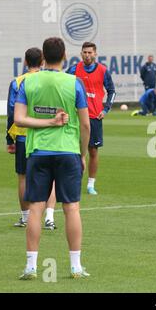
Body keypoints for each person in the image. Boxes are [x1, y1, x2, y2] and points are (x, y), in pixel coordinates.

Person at [14, 37, 90, 279]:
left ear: (43, 57)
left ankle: (31, 266)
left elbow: (19, 119)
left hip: (38, 151)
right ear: (65, 55)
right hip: (67, 150)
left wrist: (45, 122)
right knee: (72, 208)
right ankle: (76, 266)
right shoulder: (74, 83)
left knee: (35, 208)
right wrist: (83, 153)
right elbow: (86, 124)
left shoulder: (28, 82)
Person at [6, 47, 57, 230]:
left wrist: (9, 139)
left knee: (23, 177)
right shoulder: (48, 80)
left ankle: (26, 217)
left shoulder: (17, 82)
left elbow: (12, 112)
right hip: (45, 134)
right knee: (51, 177)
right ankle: (49, 217)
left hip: (22, 135)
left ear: (26, 62)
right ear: (42, 61)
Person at [67, 42, 116, 195]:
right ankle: (73, 182)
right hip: (75, 117)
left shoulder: (102, 70)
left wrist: (106, 108)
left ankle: (90, 184)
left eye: (90, 52)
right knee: (72, 151)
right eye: (84, 52)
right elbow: (64, 87)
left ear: (95, 54)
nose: (87, 55)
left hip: (94, 116)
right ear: (81, 54)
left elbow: (112, 91)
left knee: (93, 151)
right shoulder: (73, 69)